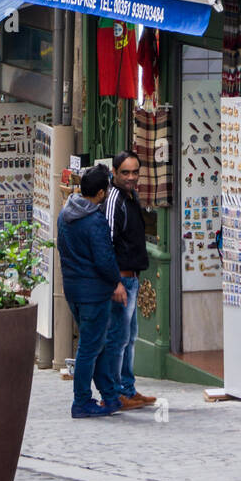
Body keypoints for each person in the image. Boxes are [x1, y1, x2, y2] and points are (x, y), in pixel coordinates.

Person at [57, 164, 127, 419]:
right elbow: (104, 259)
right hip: (94, 293)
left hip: (74, 290)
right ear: (99, 193)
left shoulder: (65, 215)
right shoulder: (94, 220)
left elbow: (63, 249)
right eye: (106, 190)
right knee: (89, 348)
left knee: (95, 345)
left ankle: (109, 395)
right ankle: (82, 401)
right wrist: (116, 282)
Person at [103, 151, 156, 410]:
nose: (131, 177)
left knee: (129, 337)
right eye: (125, 172)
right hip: (122, 281)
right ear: (114, 172)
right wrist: (115, 282)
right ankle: (114, 393)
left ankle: (126, 388)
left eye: (135, 172)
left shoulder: (130, 196)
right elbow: (107, 242)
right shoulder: (114, 199)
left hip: (132, 279)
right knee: (118, 338)